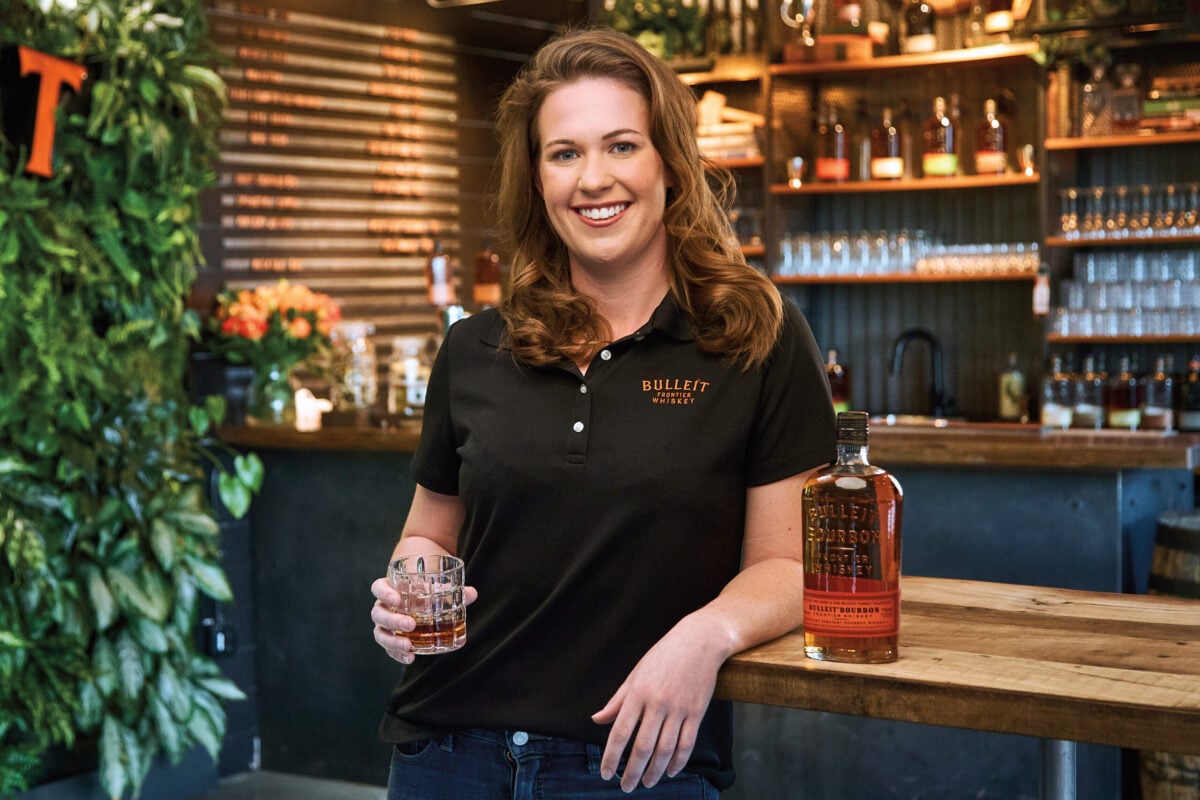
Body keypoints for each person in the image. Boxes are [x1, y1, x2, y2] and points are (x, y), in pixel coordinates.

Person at [369, 26, 836, 799]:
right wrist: (405, 591)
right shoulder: (474, 347)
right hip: (446, 752)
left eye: (622, 146)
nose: (593, 179)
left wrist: (706, 636)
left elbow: (789, 566)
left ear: (669, 164)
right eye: (564, 153)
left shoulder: (755, 336)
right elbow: (430, 534)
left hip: (636, 763)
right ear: (536, 178)